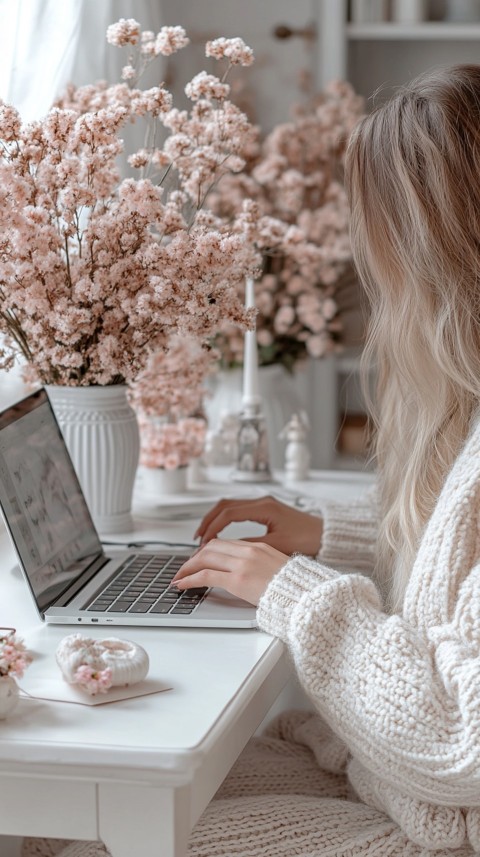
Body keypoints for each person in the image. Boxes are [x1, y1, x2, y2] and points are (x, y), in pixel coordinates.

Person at [23, 63, 480, 857]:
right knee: (55, 817)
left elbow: (459, 741)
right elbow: (460, 558)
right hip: (399, 788)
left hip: (437, 829)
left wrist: (292, 593)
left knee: (82, 837)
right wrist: (319, 533)